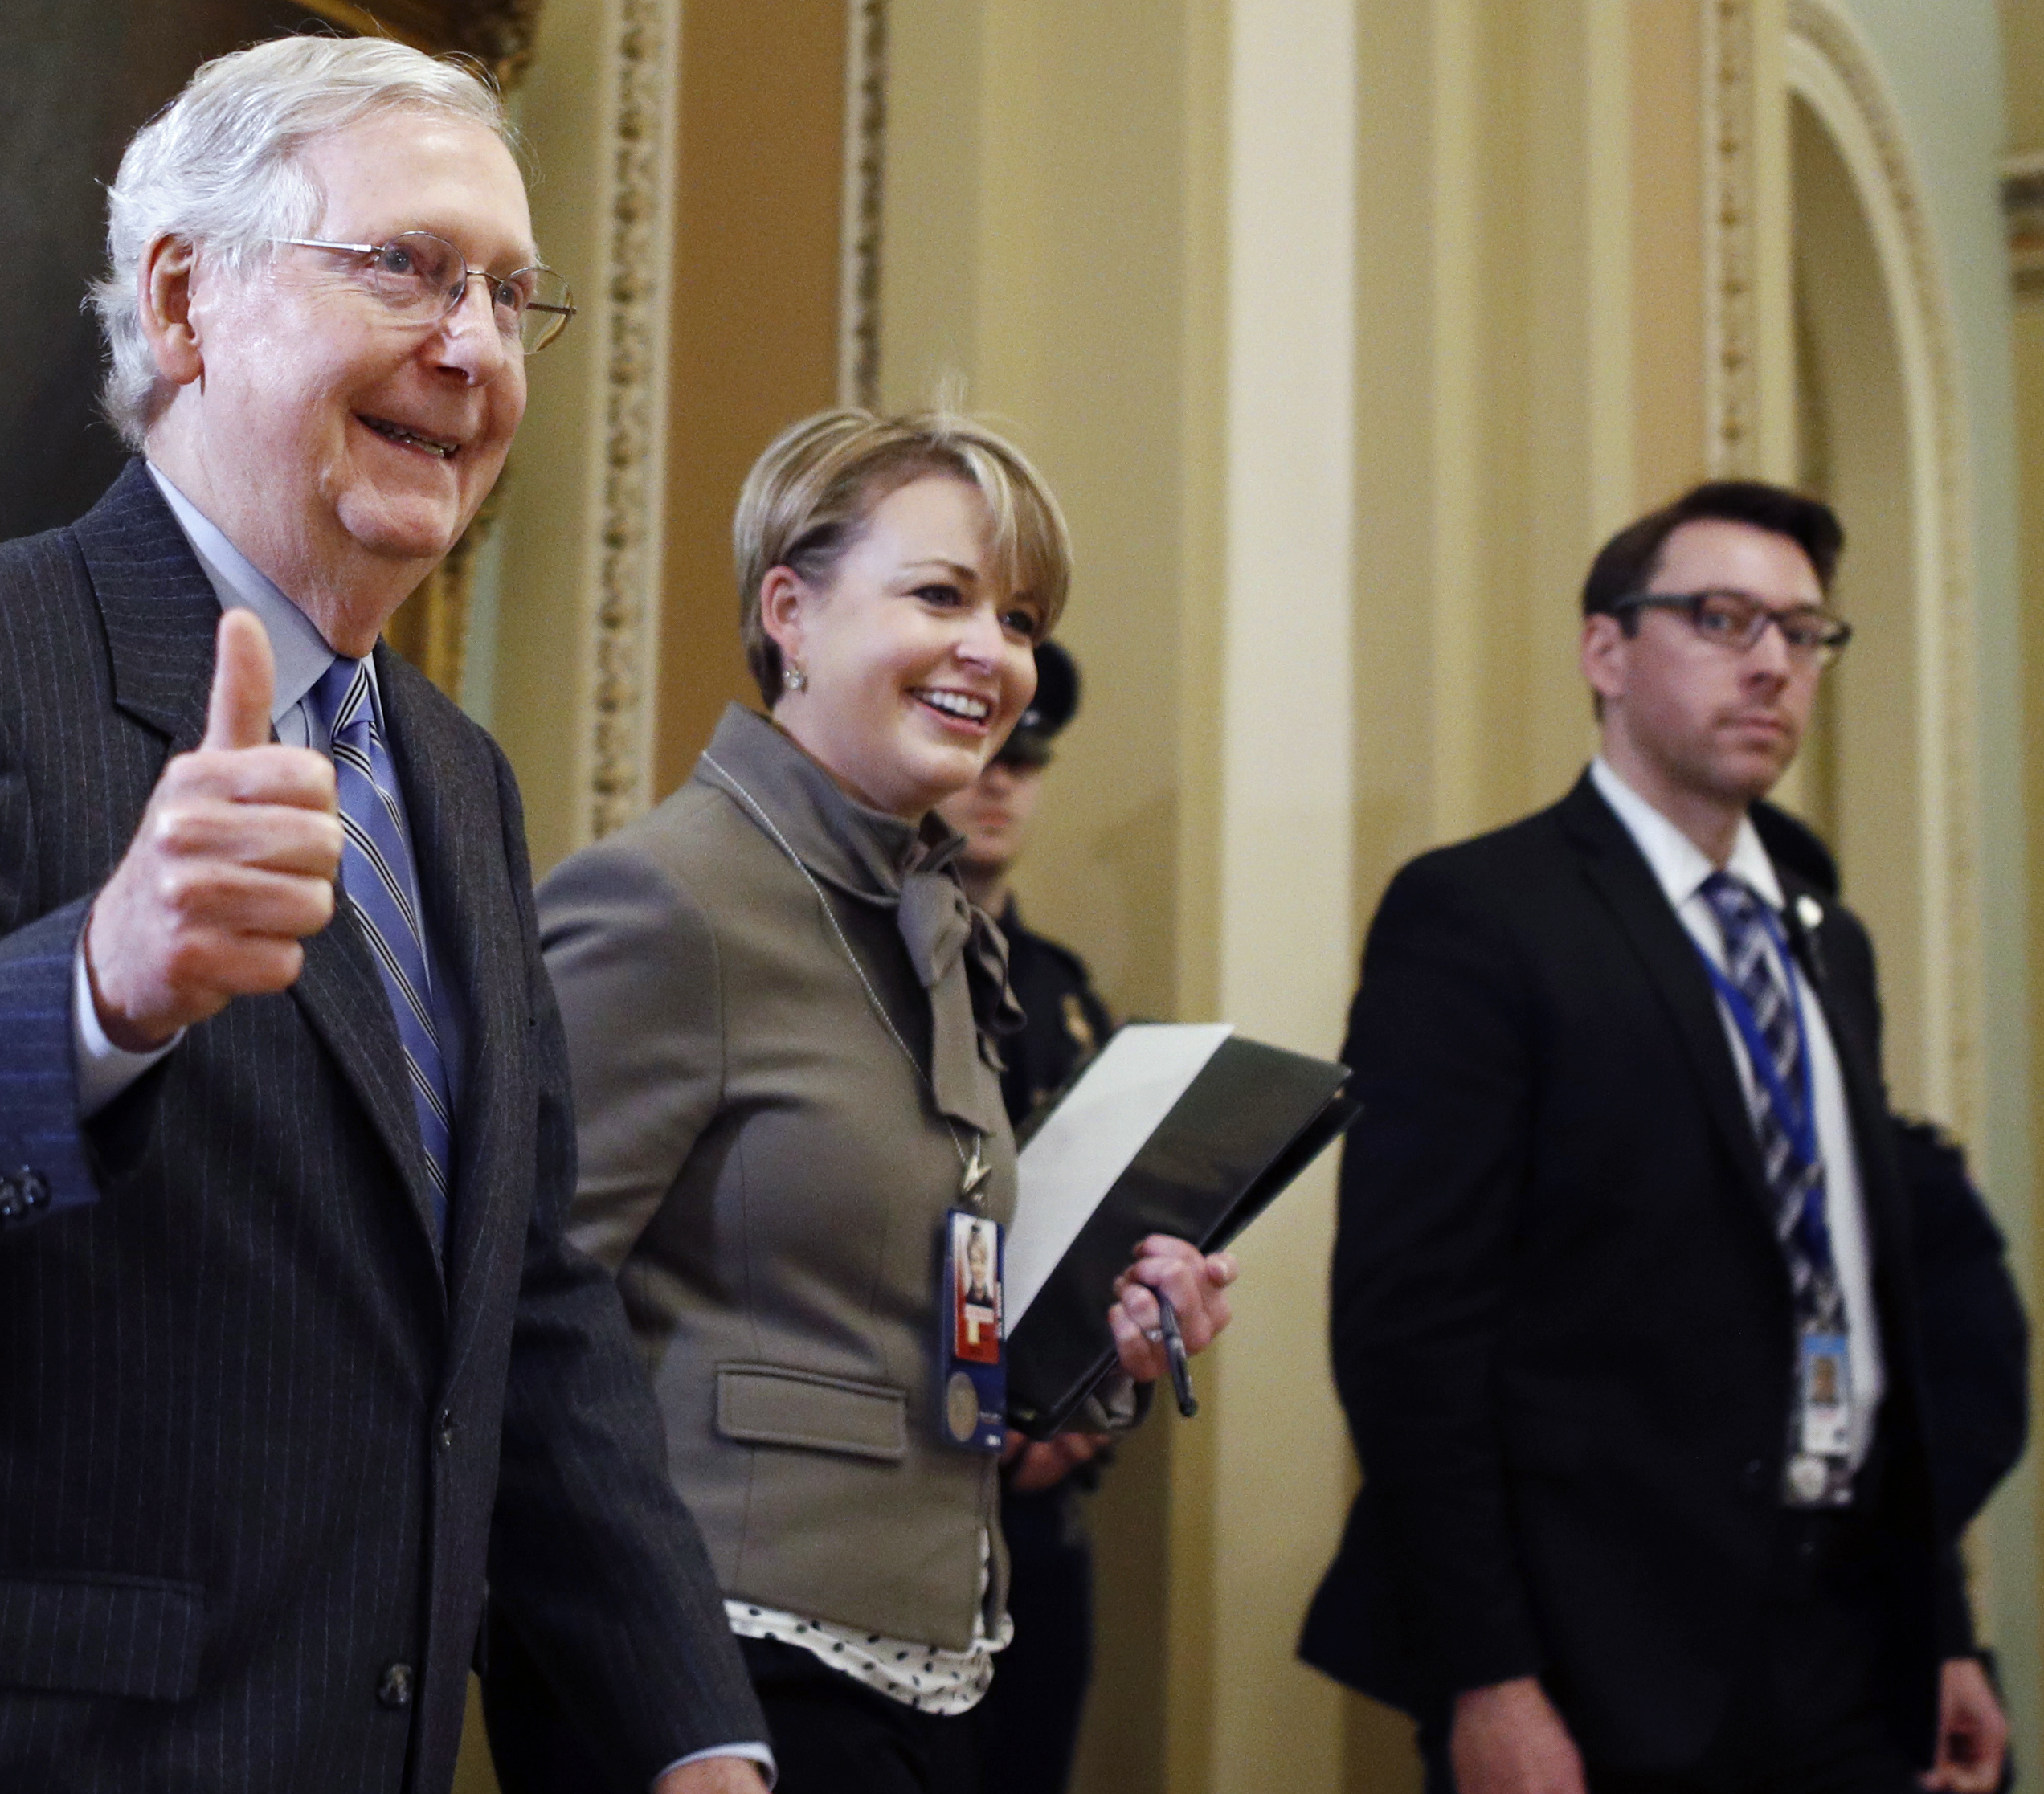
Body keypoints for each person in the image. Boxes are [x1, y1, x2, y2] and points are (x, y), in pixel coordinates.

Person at [0, 37, 765, 1792]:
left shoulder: (455, 778)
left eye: (508, 292)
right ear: (185, 301)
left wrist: (687, 1729)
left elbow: (519, 1305)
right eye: (403, 265)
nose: (472, 346)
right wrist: (96, 993)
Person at [487, 408, 1235, 1794]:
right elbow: (516, 1322)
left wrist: (1101, 1349)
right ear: (791, 612)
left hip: (936, 1660)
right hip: (710, 1679)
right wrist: (672, 1719)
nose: (992, 653)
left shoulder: (934, 922)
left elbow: (906, 1310)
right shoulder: (666, 897)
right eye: (939, 595)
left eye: (1016, 617)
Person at [1298, 480, 2014, 1794]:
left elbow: (1867, 1293)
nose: (1770, 664)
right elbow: (1410, 1330)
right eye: (1722, 618)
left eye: (1801, 633)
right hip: (1599, 1656)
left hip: (1850, 1634)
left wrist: (1945, 1625)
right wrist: (1488, 1677)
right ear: (1605, 651)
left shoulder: (1823, 940)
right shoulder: (1478, 915)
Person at [935, 640, 1116, 1794]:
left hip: (1039, 1508)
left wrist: (1097, 1389)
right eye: (986, 749)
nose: (1003, 779)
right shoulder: (877, 965)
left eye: (1029, 758)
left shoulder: (1064, 992)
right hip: (904, 1482)